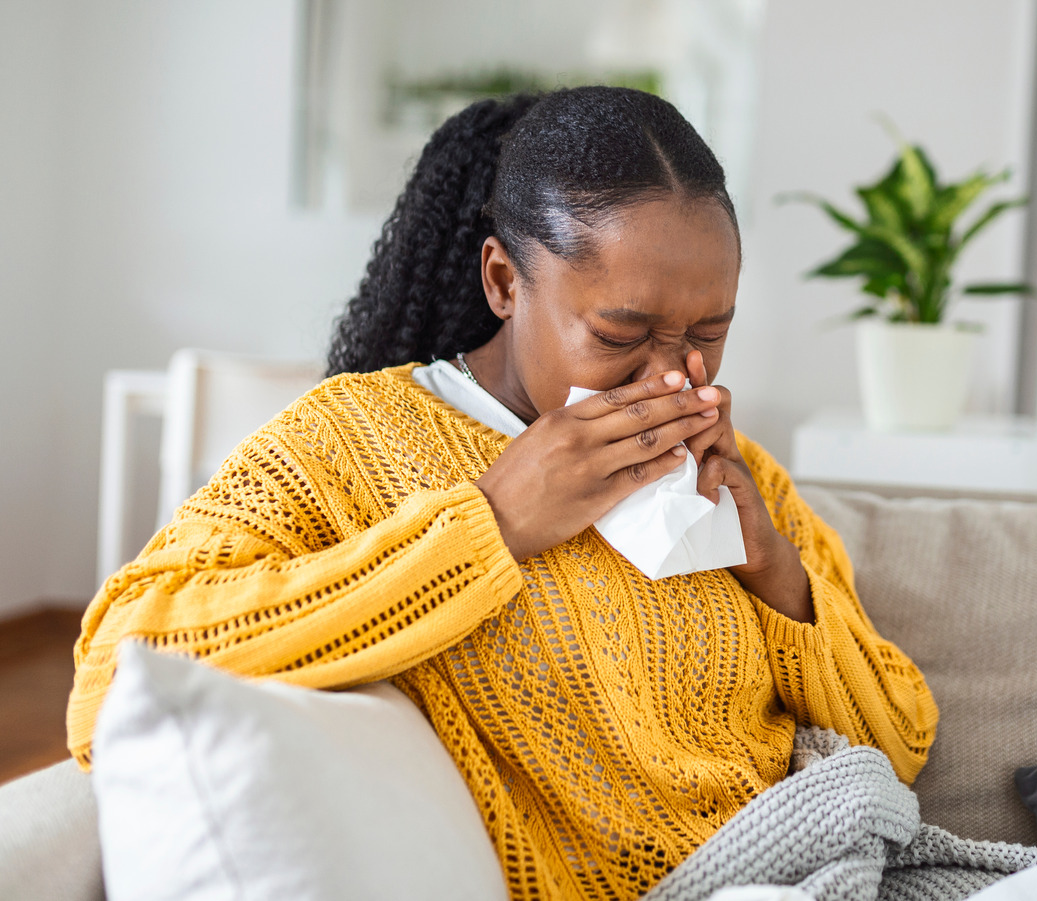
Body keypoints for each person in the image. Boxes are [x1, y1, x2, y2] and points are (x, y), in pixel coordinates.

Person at [67, 86, 937, 901]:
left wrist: (776, 574)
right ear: (503, 282)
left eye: (709, 334)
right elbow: (114, 672)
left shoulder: (737, 468)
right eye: (620, 334)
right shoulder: (352, 440)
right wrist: (491, 524)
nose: (675, 376)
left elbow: (901, 736)